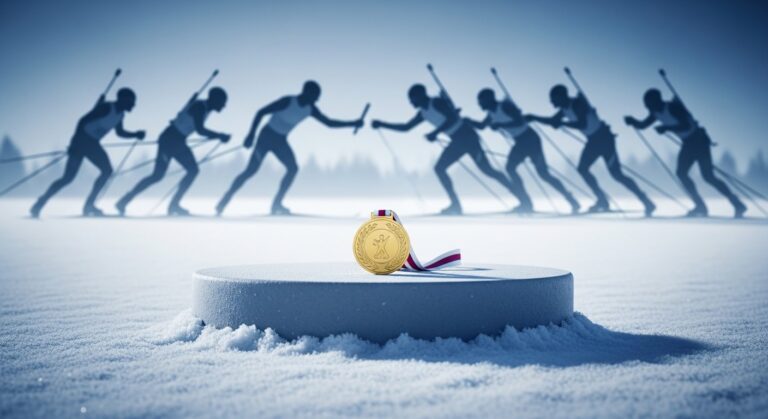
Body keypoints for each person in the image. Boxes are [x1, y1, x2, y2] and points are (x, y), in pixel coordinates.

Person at [371, 84, 529, 215]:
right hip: (458, 140)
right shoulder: (423, 113)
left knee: (489, 171)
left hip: (468, 137)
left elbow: (452, 118)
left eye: (412, 99)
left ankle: (524, 200)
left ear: (420, 96)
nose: (411, 103)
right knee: (440, 168)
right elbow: (406, 127)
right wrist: (382, 124)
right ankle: (456, 205)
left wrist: (434, 132)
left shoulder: (437, 102)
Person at [216, 81, 363, 216]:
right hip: (265, 137)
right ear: (306, 93)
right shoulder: (287, 101)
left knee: (293, 169)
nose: (315, 101)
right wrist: (251, 135)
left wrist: (353, 123)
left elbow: (329, 123)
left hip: (280, 140)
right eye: (314, 97)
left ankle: (276, 204)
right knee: (251, 171)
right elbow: (261, 112)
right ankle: (223, 202)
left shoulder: (310, 109)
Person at [526, 85, 656, 216]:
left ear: (562, 96)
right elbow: (553, 121)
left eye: (554, 99)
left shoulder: (577, 104)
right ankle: (602, 200)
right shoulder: (565, 109)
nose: (552, 102)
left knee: (616, 174)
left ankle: (646, 201)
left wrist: (563, 124)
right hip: (593, 142)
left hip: (605, 140)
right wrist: (534, 117)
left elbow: (582, 124)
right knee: (582, 169)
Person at [625, 89, 746, 218]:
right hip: (688, 144)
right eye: (646, 104)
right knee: (682, 173)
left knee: (708, 176)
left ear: (656, 101)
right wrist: (633, 121)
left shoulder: (673, 107)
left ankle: (737, 204)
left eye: (648, 104)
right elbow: (643, 125)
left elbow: (686, 125)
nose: (647, 107)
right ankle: (700, 206)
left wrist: (666, 128)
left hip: (699, 140)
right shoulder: (656, 113)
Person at [30, 88, 145, 218]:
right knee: (69, 178)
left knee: (104, 171)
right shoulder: (106, 107)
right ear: (123, 100)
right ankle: (44, 203)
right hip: (82, 141)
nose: (133, 106)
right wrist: (74, 142)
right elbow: (83, 120)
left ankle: (87, 205)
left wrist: (135, 134)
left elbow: (120, 133)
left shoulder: (120, 115)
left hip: (92, 144)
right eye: (132, 102)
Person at [116, 87, 230, 216]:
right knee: (159, 175)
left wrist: (218, 136)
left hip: (177, 141)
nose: (223, 106)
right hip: (169, 140)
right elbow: (200, 130)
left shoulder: (203, 107)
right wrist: (220, 135)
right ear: (214, 99)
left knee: (188, 171)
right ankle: (127, 201)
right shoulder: (200, 107)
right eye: (222, 102)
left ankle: (172, 205)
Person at [468, 88, 580, 214]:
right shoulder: (491, 114)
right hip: (520, 142)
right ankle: (525, 202)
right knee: (510, 168)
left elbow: (520, 121)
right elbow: (482, 126)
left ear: (489, 99)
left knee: (543, 174)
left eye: (481, 101)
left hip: (531, 140)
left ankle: (572, 201)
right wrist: (468, 121)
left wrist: (501, 125)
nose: (480, 104)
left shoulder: (505, 106)